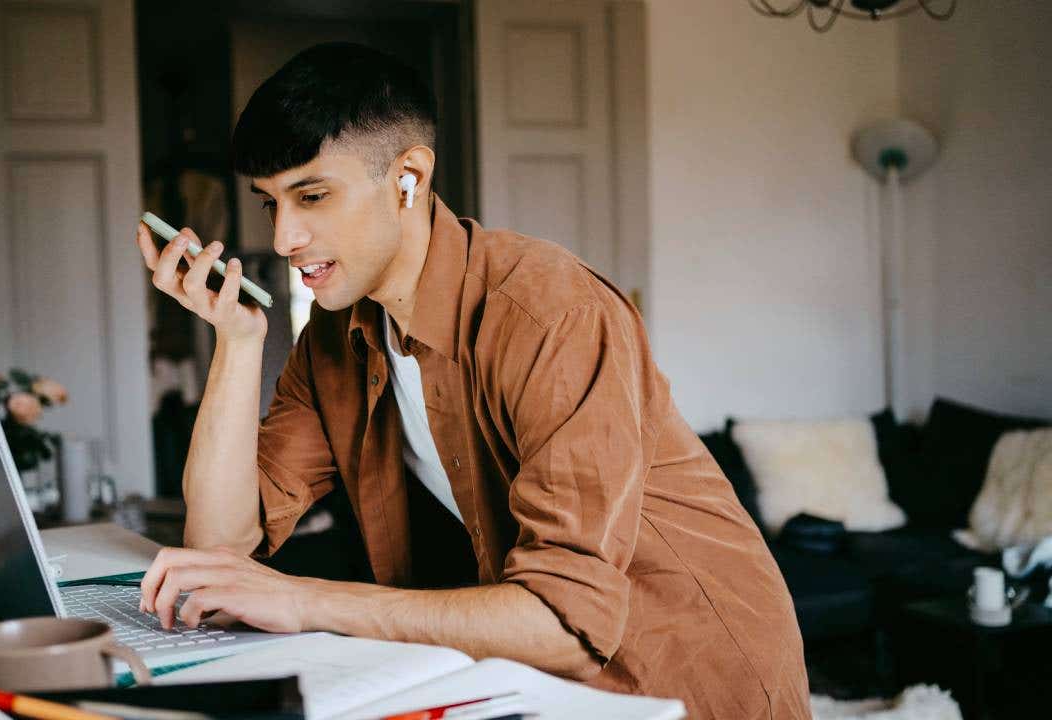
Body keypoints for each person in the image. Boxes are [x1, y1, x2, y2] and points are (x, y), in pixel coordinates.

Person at [134, 42, 809, 719]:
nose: (284, 238)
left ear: (408, 178)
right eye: (270, 204)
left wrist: (301, 598)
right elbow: (221, 549)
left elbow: (565, 623)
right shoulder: (334, 340)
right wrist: (238, 339)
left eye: (312, 196)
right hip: (532, 677)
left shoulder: (551, 313)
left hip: (689, 672)